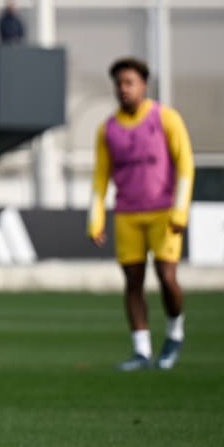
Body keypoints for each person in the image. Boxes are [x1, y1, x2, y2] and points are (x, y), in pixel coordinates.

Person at [88, 57, 195, 371]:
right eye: (119, 84)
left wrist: (180, 210)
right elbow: (100, 178)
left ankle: (175, 332)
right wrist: (95, 218)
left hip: (164, 213)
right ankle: (142, 351)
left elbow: (185, 164)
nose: (123, 89)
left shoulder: (165, 118)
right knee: (133, 281)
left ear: (143, 85)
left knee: (166, 277)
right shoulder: (107, 129)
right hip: (127, 215)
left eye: (129, 83)